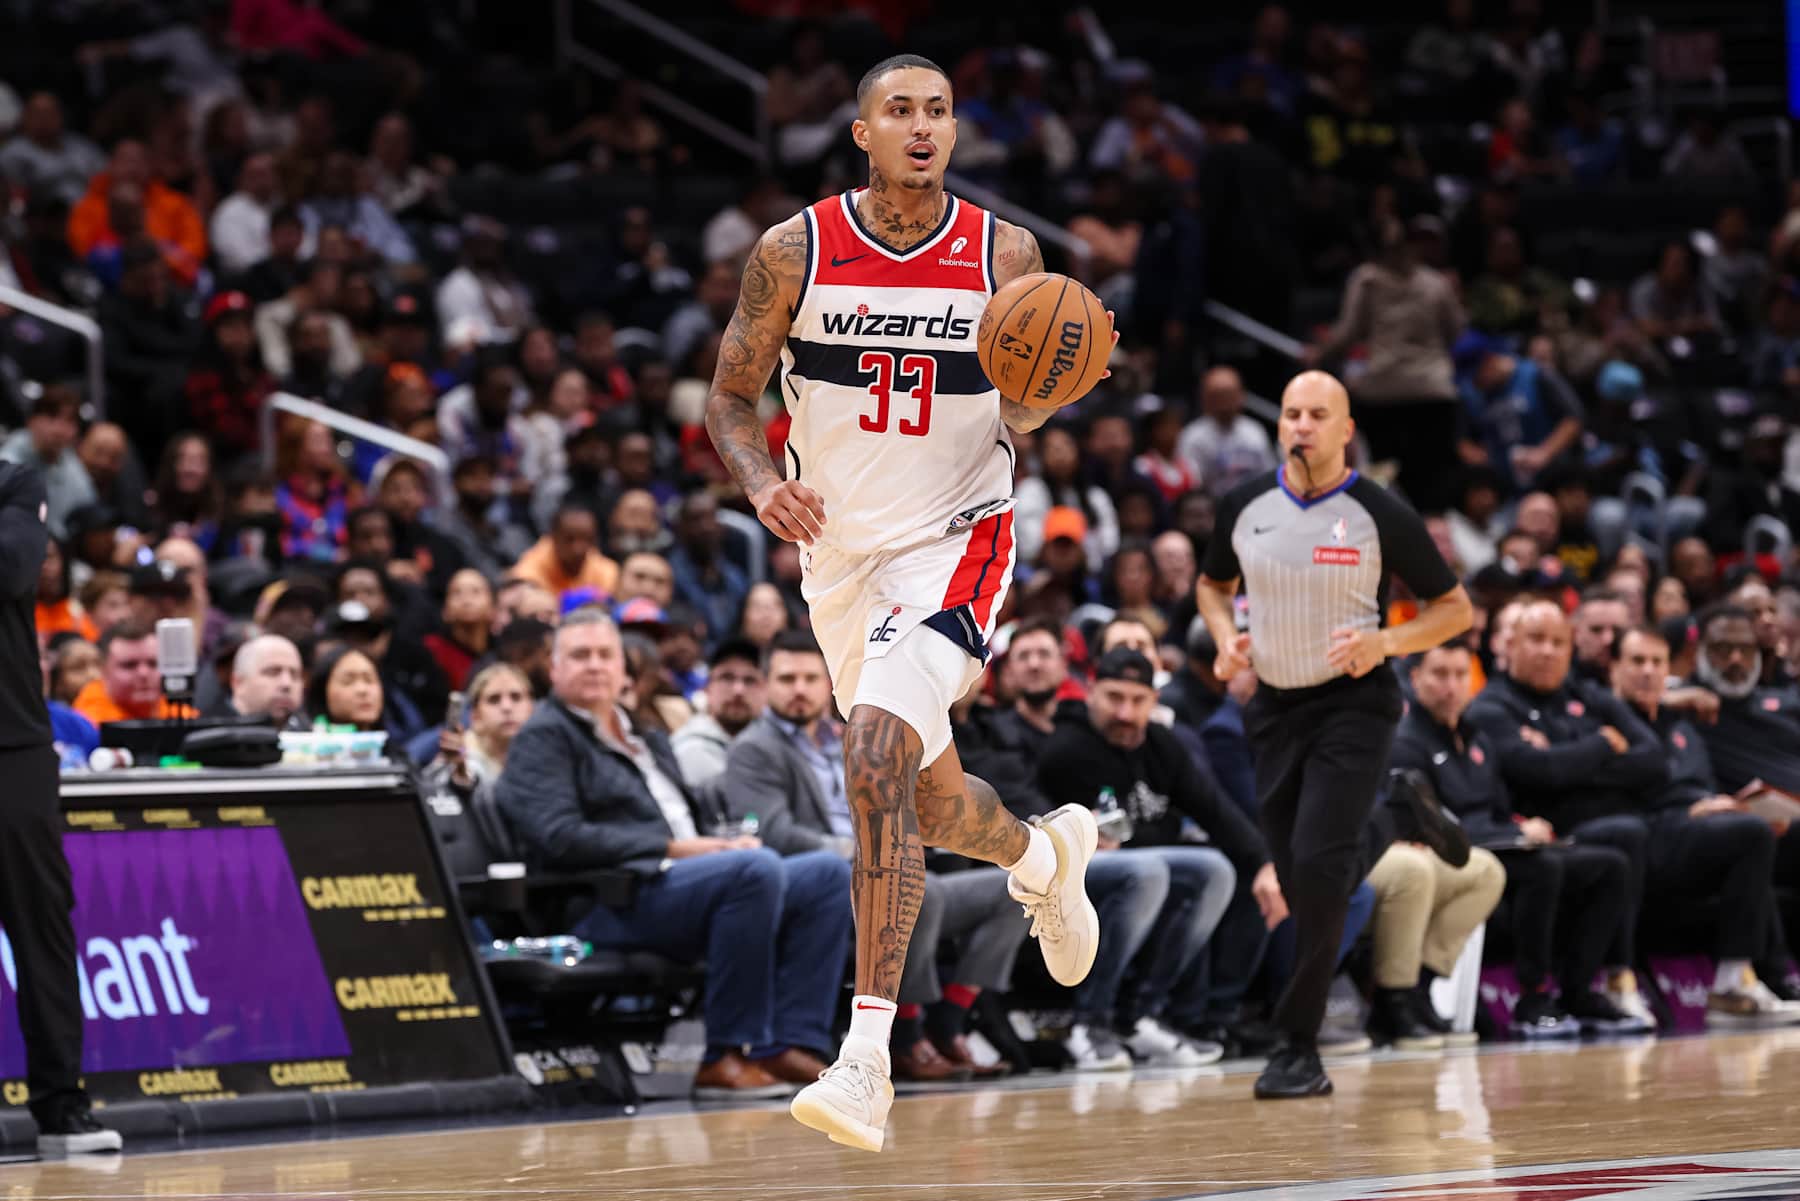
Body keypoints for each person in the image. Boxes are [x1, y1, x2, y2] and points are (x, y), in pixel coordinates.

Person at [706, 52, 1113, 1152]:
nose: (923, 127)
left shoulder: (1004, 253)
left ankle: (864, 1057)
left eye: (938, 111)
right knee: (926, 805)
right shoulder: (794, 251)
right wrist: (761, 481)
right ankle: (1042, 857)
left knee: (875, 750)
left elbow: (1025, 413)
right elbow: (731, 396)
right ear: (862, 132)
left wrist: (1042, 394)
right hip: (839, 559)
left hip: (956, 543)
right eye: (901, 111)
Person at [1194, 370, 1474, 1099]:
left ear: (1346, 428)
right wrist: (1226, 637)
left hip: (1356, 705)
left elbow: (1454, 610)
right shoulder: (1242, 504)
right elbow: (1211, 585)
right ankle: (1391, 815)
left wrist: (1385, 642)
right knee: (1296, 874)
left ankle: (1297, 1044)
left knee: (1317, 870)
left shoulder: (1381, 511)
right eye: (1291, 413)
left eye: (1318, 414)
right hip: (1275, 708)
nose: (1301, 426)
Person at [495, 609, 851, 1098]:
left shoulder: (646, 735)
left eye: (605, 655)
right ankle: (723, 1051)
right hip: (608, 899)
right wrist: (681, 849)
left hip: (683, 882)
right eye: (580, 656)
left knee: (826, 874)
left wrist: (721, 842)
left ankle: (788, 1041)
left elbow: (689, 821)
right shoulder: (544, 737)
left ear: (625, 669)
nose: (595, 665)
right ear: (553, 670)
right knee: (755, 869)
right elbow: (558, 836)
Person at [1393, 643, 1635, 1039]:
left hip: (1502, 845)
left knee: (1610, 866)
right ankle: (1532, 998)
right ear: (1416, 679)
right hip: (1451, 855)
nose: (1451, 686)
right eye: (1440, 675)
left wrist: (1522, 825)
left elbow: (1498, 807)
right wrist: (1512, 835)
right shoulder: (1406, 742)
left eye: (1460, 675)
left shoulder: (1477, 738)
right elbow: (1423, 825)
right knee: (1544, 868)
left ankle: (1577, 991)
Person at [0, 462, 121, 1153]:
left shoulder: (15, 483)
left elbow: (13, 570)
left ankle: (61, 1105)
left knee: (40, 925)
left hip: (12, 748)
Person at [670, 637, 767, 788]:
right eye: (727, 678)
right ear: (707, 688)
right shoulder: (691, 749)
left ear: (765, 691)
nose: (738, 691)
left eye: (750, 680)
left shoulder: (775, 745)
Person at [225, 633, 305, 725]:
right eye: (272, 672)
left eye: (295, 675)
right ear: (238, 683)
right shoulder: (209, 733)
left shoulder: (314, 734)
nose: (287, 684)